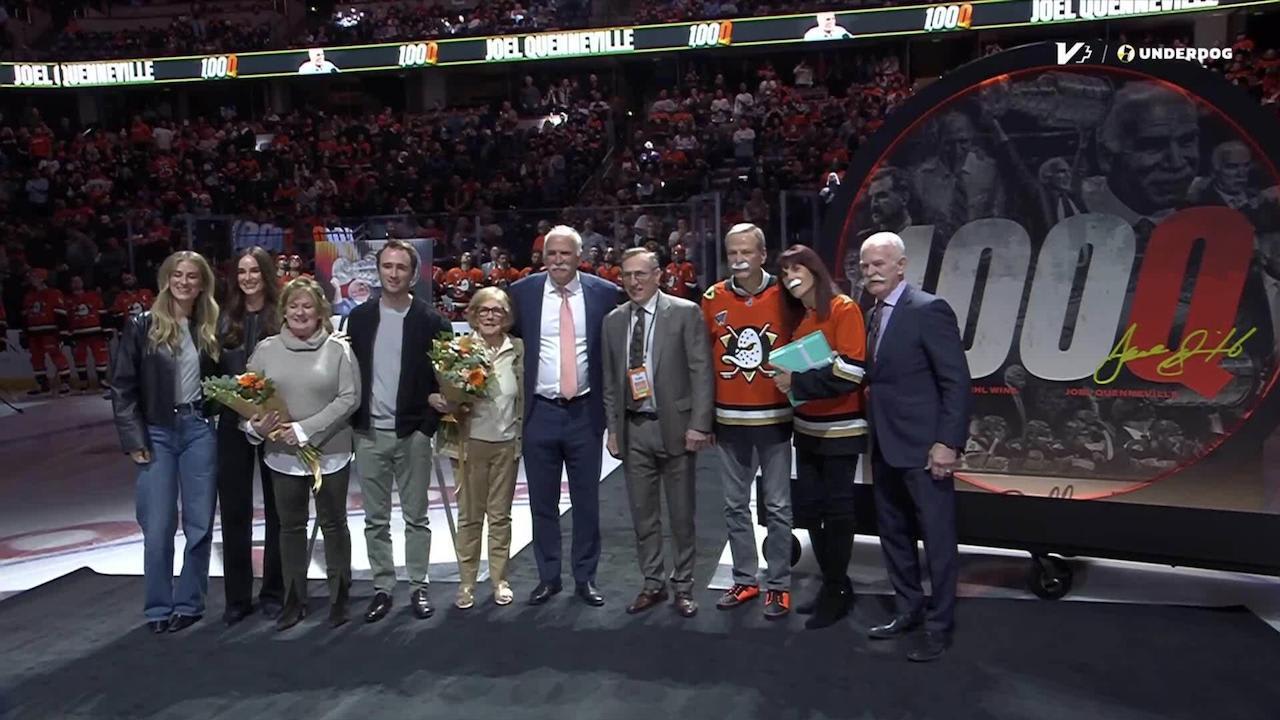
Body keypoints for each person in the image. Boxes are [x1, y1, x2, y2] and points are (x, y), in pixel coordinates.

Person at [859, 232, 971, 662]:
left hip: (926, 449)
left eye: (880, 264)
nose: (871, 272)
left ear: (902, 266)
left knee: (938, 540)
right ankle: (908, 608)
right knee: (893, 534)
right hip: (884, 445)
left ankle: (940, 626)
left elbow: (955, 381)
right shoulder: (871, 314)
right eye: (866, 266)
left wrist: (948, 442)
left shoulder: (929, 310)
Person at [508, 225, 622, 606]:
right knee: (542, 502)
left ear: (579, 257)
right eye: (551, 254)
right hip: (539, 412)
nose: (558, 261)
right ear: (543, 258)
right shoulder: (521, 294)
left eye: (565, 254)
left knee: (587, 501)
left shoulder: (604, 294)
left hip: (585, 414)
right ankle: (548, 576)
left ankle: (585, 577)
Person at [110, 251, 221, 634]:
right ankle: (158, 607)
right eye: (178, 274)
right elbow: (122, 387)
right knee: (157, 527)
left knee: (200, 525)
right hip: (156, 431)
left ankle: (190, 602)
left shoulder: (209, 325)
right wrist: (132, 437)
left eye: (192, 276)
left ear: (202, 282)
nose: (184, 281)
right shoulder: (142, 325)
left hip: (199, 430)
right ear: (166, 278)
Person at [602, 248, 712, 618]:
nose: (634, 282)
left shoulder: (684, 312)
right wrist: (612, 429)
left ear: (658, 275)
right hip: (634, 430)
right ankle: (653, 582)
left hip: (677, 429)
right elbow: (610, 383)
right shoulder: (614, 321)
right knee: (642, 515)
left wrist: (700, 423)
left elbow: (701, 371)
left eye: (641, 274)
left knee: (681, 515)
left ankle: (684, 586)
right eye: (627, 275)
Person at [245, 277, 360, 631]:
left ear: (321, 311)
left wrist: (304, 429)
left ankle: (340, 596)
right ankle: (294, 598)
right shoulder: (265, 350)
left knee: (334, 523)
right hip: (282, 456)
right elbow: (248, 397)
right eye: (293, 305)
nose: (300, 312)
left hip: (331, 454)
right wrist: (255, 429)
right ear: (283, 310)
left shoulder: (339, 349)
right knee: (289, 527)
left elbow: (349, 398)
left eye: (307, 306)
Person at [345, 239, 451, 623]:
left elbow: (446, 381)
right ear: (378, 270)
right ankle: (382, 587)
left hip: (413, 434)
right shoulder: (358, 319)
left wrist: (426, 428)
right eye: (386, 266)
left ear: (413, 273)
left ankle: (419, 586)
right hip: (370, 433)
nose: (392, 274)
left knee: (416, 517)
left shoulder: (432, 321)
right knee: (375, 518)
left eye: (400, 267)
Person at [700, 223, 797, 619]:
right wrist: (704, 419)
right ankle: (745, 579)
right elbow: (702, 361)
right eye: (732, 251)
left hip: (775, 419)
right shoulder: (712, 298)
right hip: (729, 421)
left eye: (746, 251)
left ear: (762, 254)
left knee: (777, 506)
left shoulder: (788, 294)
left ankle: (779, 584)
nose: (739, 258)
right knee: (733, 505)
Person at [772, 245, 867, 630]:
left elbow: (851, 373)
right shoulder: (802, 318)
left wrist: (796, 380)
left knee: (838, 511)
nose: (790, 277)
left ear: (815, 270)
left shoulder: (843, 308)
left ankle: (836, 590)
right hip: (806, 429)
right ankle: (835, 585)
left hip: (841, 430)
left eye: (797, 268)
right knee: (812, 510)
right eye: (784, 272)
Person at [214, 247, 284, 625]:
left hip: (275, 422)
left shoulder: (281, 314)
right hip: (233, 425)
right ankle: (237, 598)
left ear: (266, 273)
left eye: (254, 270)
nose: (248, 277)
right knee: (235, 512)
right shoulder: (225, 318)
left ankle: (274, 591)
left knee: (278, 510)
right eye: (241, 271)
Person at [446, 287, 524, 609]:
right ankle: (466, 583)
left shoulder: (517, 348)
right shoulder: (459, 350)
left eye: (497, 311)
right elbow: (449, 399)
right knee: (470, 518)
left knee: (501, 517)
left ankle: (499, 580)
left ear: (507, 317)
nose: (491, 316)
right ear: (473, 315)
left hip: (507, 444)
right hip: (469, 444)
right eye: (484, 311)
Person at [21, 268, 71, 396]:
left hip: (50, 331)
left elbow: (61, 314)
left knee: (56, 356)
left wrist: (63, 332)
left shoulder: (54, 293)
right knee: (36, 359)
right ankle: (42, 383)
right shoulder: (28, 296)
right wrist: (24, 333)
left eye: (34, 276)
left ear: (42, 278)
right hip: (34, 333)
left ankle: (65, 382)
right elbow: (25, 317)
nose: (31, 279)